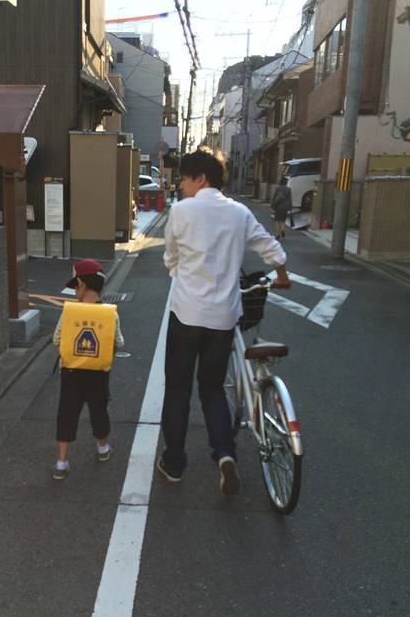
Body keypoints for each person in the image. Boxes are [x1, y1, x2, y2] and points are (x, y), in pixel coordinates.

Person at [157, 149, 291, 495]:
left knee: (178, 389)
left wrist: (182, 275)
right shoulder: (239, 213)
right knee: (213, 389)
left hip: (186, 314)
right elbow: (270, 247)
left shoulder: (181, 211)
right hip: (223, 319)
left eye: (185, 179)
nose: (181, 185)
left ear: (200, 178)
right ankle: (225, 455)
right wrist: (282, 275)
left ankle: (174, 463)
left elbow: (171, 258)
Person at [52, 259, 125, 480]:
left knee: (67, 414)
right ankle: (102, 449)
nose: (75, 291)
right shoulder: (110, 314)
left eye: (75, 286)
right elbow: (119, 342)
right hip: (98, 374)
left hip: (71, 373)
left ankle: (61, 462)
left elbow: (57, 339)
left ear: (82, 285)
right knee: (99, 410)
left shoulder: (69, 312)